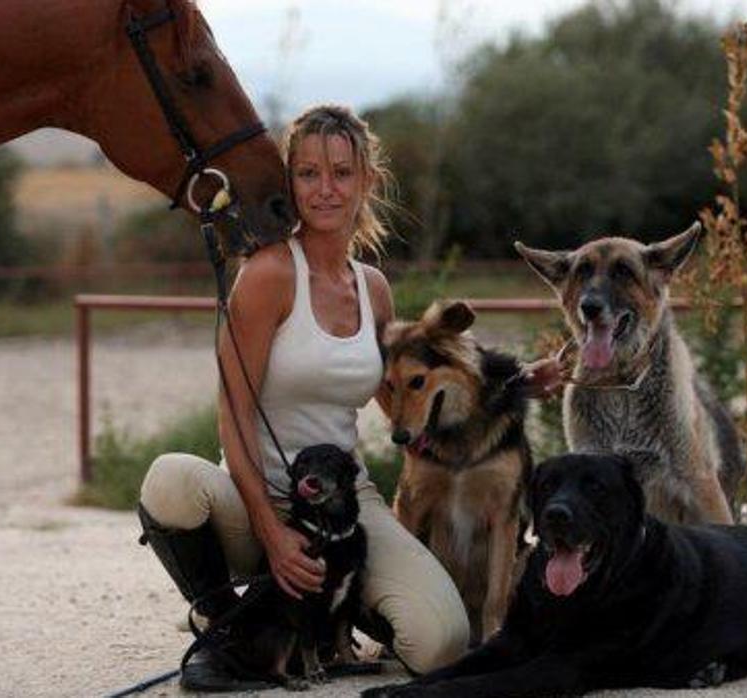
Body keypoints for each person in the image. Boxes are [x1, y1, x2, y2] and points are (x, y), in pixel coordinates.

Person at [137, 104, 561, 692]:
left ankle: (342, 601)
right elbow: (232, 411)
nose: (325, 189)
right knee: (170, 481)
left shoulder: (374, 289)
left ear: (367, 182)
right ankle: (225, 628)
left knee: (440, 644)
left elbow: (403, 405)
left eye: (341, 172)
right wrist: (273, 530)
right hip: (255, 492)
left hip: (343, 504)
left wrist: (512, 388)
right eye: (308, 173)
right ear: (289, 182)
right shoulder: (266, 275)